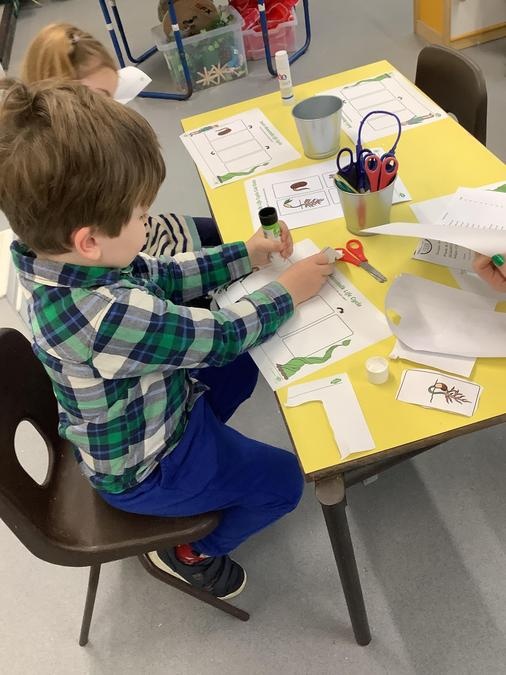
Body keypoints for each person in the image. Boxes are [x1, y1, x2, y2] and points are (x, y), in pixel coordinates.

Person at [1, 79, 334, 598]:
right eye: (141, 216)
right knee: (285, 481)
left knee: (245, 363)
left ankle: (211, 451)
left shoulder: (61, 264)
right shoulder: (107, 316)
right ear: (88, 241)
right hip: (148, 468)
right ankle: (192, 553)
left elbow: (165, 274)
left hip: (148, 410)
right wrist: (288, 291)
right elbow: (223, 335)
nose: (149, 222)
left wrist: (245, 254)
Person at [21, 22, 220, 254]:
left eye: (113, 98)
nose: (110, 110)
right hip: (133, 251)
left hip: (146, 230)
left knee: (223, 228)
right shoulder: (59, 171)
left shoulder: (88, 135)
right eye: (100, 100)